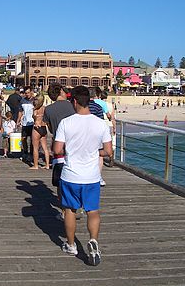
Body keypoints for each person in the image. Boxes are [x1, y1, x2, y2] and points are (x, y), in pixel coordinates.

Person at [55, 86, 112, 266]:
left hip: (71, 175)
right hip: (92, 177)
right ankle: (93, 240)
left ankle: (72, 245)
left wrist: (69, 151)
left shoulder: (66, 122)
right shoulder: (100, 123)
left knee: (70, 210)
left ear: (74, 101)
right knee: (92, 211)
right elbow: (108, 151)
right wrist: (95, 153)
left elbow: (57, 150)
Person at [43, 83, 76, 204]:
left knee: (60, 179)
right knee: (74, 176)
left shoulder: (48, 110)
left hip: (58, 146)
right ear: (61, 91)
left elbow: (51, 129)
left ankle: (63, 208)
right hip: (74, 146)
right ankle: (76, 204)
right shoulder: (73, 106)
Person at [31, 94, 50, 170]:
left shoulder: (35, 109)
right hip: (43, 128)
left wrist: (34, 115)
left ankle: (35, 165)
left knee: (35, 148)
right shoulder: (45, 109)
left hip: (37, 128)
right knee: (45, 148)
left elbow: (34, 117)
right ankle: (47, 165)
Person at [17, 86, 34, 161]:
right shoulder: (22, 100)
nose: (27, 94)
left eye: (28, 93)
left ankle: (31, 153)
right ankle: (25, 152)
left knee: (32, 140)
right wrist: (18, 120)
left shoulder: (35, 100)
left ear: (31, 92)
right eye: (25, 93)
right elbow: (20, 111)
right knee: (23, 139)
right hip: (25, 123)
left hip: (32, 122)